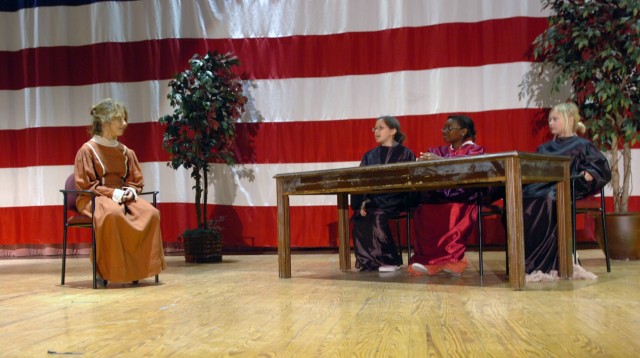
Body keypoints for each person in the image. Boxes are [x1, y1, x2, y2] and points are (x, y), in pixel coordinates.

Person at [74, 98, 166, 286]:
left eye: (124, 119)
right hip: (94, 196)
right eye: (120, 119)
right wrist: (114, 194)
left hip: (121, 196)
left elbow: (135, 180)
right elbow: (85, 185)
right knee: (113, 213)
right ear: (105, 121)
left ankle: (136, 268)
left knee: (151, 213)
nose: (125, 124)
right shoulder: (87, 150)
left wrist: (131, 192)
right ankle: (104, 270)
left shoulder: (126, 152)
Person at [522, 102, 611, 280]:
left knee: (550, 198)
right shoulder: (543, 148)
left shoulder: (583, 145)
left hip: (568, 186)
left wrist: (590, 173)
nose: (550, 123)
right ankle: (528, 260)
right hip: (542, 186)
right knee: (522, 197)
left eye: (555, 119)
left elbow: (601, 167)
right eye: (549, 119)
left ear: (569, 119)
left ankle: (549, 262)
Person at [408, 115, 488, 276]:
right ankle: (428, 262)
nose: (444, 131)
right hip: (438, 196)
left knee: (452, 210)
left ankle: (451, 260)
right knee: (423, 210)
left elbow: (469, 169)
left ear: (463, 131)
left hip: (463, 197)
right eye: (443, 128)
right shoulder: (438, 150)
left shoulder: (475, 150)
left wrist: (439, 161)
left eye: (449, 128)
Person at [351, 116, 416, 272]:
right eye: (375, 128)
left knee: (378, 216)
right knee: (361, 218)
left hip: (396, 200)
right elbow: (361, 181)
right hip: (373, 200)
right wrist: (362, 202)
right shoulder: (369, 155)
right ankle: (370, 261)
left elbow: (409, 182)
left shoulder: (405, 153)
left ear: (393, 131)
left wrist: (383, 199)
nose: (376, 131)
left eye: (381, 128)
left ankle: (390, 260)